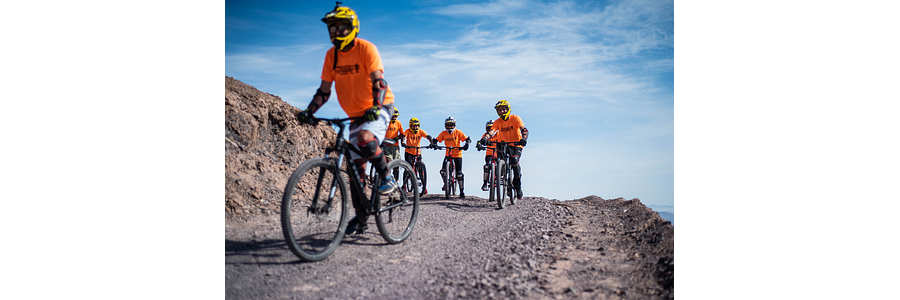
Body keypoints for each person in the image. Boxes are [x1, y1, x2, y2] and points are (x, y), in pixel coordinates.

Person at [296, 2, 397, 234]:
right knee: (354, 171)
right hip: (354, 115)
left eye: (341, 27)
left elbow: (379, 82)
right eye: (332, 28)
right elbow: (324, 91)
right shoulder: (331, 56)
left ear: (352, 27)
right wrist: (310, 112)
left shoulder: (366, 49)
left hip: (379, 106)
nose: (336, 32)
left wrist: (376, 105)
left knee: (365, 137)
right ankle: (361, 218)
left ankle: (386, 176)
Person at [488, 100, 528, 200]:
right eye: (499, 110)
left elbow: (524, 129)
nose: (501, 111)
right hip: (503, 144)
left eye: (503, 109)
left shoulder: (515, 118)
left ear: (508, 109)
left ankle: (517, 186)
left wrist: (524, 138)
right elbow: (492, 132)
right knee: (500, 163)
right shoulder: (497, 122)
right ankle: (504, 179)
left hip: (516, 144)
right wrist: (484, 139)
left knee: (514, 161)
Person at [433, 117, 471, 198]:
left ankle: (461, 191)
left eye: (451, 125)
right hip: (448, 154)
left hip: (457, 154)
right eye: (448, 125)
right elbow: (437, 139)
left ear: (454, 125)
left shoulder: (458, 132)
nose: (449, 127)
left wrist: (466, 144)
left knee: (459, 174)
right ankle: (446, 183)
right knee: (443, 171)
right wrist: (434, 143)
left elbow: (467, 139)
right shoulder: (443, 133)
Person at [401, 117, 432, 196]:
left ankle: (424, 187)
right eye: (414, 126)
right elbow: (404, 137)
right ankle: (404, 185)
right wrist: (403, 142)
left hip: (417, 151)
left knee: (421, 169)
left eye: (417, 126)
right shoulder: (407, 131)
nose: (415, 127)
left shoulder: (420, 131)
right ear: (410, 125)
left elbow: (427, 136)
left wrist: (431, 141)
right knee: (408, 167)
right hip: (409, 151)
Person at [476, 120, 500, 191]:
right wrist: (479, 145)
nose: (490, 130)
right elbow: (480, 141)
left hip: (498, 154)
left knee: (500, 167)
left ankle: (499, 178)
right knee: (487, 166)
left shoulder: (499, 133)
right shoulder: (485, 135)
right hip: (489, 154)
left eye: (491, 128)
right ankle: (485, 183)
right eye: (488, 128)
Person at [384, 107, 404, 179]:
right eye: (393, 116)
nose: (394, 117)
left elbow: (402, 134)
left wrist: (397, 138)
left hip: (395, 146)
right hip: (386, 145)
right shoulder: (386, 122)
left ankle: (396, 181)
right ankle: (387, 179)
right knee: (389, 162)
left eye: (396, 116)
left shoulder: (398, 123)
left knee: (396, 165)